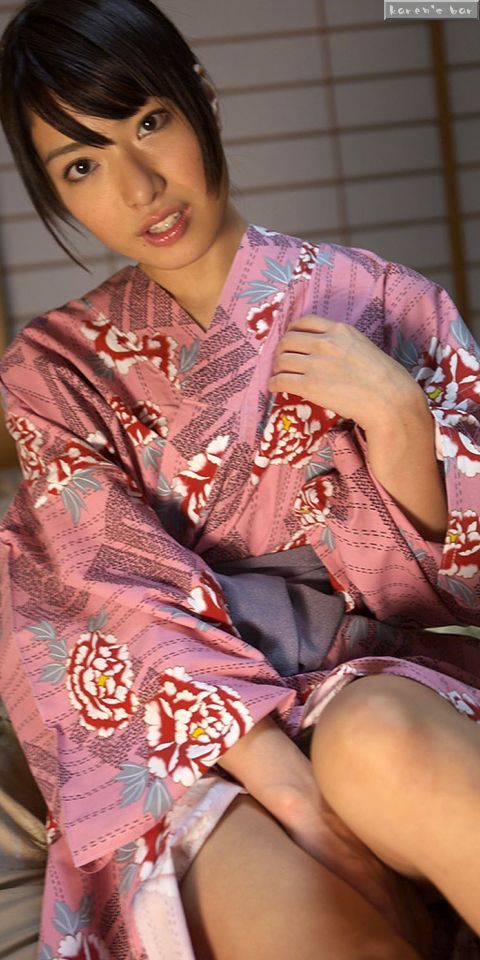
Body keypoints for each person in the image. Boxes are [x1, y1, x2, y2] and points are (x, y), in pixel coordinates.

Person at [0, 0, 479, 957]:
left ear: (202, 99)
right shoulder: (52, 371)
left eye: (149, 122)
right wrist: (293, 795)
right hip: (181, 741)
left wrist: (398, 419)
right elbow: (102, 595)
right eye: (81, 165)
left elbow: (460, 584)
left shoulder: (380, 302)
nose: (139, 187)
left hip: (365, 674)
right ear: (52, 192)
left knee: (384, 743)